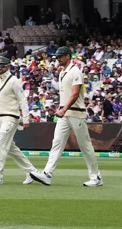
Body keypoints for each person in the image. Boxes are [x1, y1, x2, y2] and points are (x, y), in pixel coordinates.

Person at [30, 47, 103, 187]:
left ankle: (96, 177)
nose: (58, 59)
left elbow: (75, 94)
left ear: (68, 56)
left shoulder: (75, 71)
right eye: (57, 57)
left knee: (85, 146)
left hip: (76, 113)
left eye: (61, 56)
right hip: (65, 114)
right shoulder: (62, 72)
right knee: (56, 143)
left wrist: (64, 109)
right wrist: (62, 109)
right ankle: (47, 174)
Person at [0, 54, 38, 185]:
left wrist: (26, 119)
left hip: (11, 117)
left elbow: (22, 100)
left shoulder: (14, 81)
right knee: (11, 148)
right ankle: (32, 172)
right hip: (0, 117)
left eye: (2, 66)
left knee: (1, 143)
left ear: (8, 66)